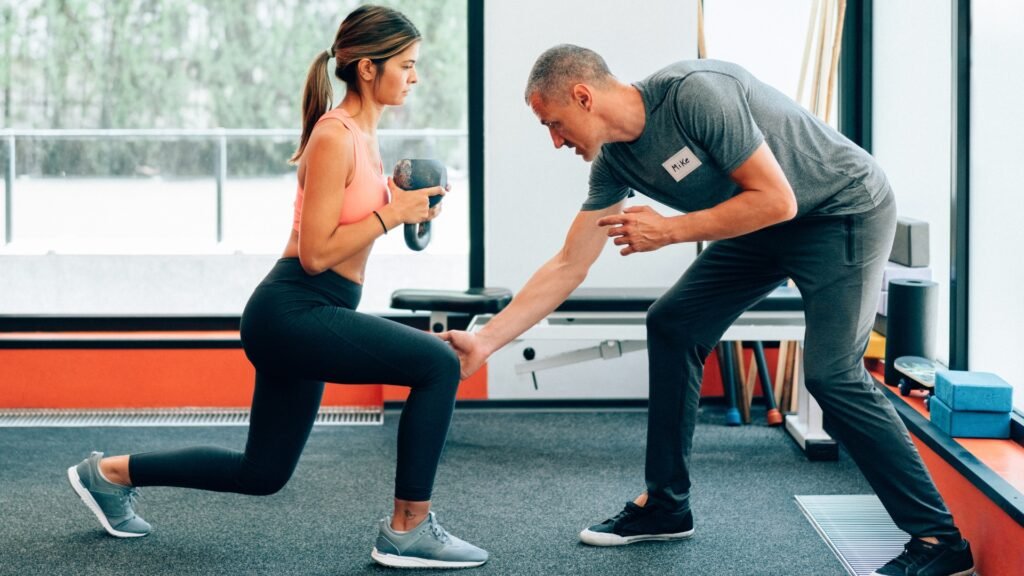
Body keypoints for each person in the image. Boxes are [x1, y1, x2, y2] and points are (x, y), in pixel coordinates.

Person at [441, 44, 973, 576]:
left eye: (554, 124)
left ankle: (939, 540)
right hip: (765, 224)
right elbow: (568, 264)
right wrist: (485, 342)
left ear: (583, 97)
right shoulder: (614, 162)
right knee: (673, 323)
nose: (555, 141)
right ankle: (666, 505)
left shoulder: (695, 96)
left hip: (841, 210)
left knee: (831, 374)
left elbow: (778, 199)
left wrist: (670, 230)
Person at [65, 6, 487, 569]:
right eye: (406, 65)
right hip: (292, 310)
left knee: (261, 473)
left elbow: (349, 227)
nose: (415, 76)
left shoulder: (365, 137)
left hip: (315, 312)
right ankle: (408, 528)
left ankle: (108, 473)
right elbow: (315, 254)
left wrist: (402, 202)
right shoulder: (334, 135)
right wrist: (392, 214)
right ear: (368, 68)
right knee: (436, 365)